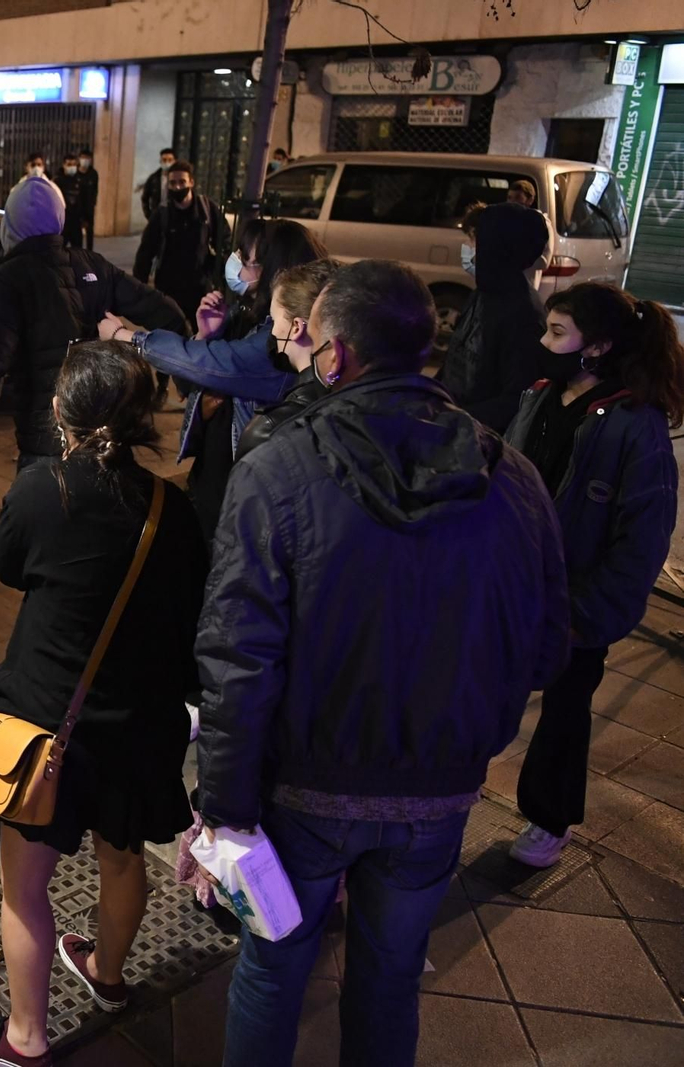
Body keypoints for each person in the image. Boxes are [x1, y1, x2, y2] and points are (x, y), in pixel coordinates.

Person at [194, 259, 569, 1067]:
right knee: (391, 977)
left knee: (271, 972)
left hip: (305, 789)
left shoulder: (276, 471)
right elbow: (546, 644)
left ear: (334, 357)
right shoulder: (514, 476)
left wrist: (223, 808)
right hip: (439, 789)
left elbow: (236, 659)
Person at [0, 341, 207, 1067]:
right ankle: (107, 974)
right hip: (141, 725)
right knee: (124, 862)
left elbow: (6, 563)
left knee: (23, 885)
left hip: (50, 725)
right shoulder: (172, 509)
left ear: (62, 410)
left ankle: (26, 1036)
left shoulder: (43, 489)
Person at [505, 283, 684, 868]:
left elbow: (642, 540)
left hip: (577, 602)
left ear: (599, 346)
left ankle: (547, 819)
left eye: (557, 333)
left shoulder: (635, 422)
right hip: (514, 586)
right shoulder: (538, 396)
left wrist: (592, 614)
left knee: (563, 711)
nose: (543, 342)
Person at [0, 174, 185, 481]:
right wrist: (187, 377)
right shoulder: (93, 265)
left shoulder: (9, 279)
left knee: (36, 521)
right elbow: (168, 313)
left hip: (45, 443)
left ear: (11, 223)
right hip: (101, 434)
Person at [113, 219, 327, 543]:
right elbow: (189, 382)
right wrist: (205, 334)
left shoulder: (278, 345)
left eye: (247, 256)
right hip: (212, 472)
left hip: (240, 489)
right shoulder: (243, 314)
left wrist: (126, 336)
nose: (237, 261)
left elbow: (204, 363)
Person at [437, 201, 549, 431]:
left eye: (476, 239)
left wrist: (452, 420)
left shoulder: (523, 314)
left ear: (496, 246)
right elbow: (455, 362)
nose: (470, 248)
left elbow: (516, 399)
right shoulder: (483, 293)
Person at [233, 258, 340, 459]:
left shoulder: (269, 429)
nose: (272, 331)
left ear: (297, 328)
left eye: (274, 320)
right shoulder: (353, 401)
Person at [132, 160, 232, 327]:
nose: (177, 187)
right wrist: (139, 289)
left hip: (199, 287)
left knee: (201, 333)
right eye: (173, 183)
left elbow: (225, 240)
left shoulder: (207, 209)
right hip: (168, 288)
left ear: (191, 182)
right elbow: (145, 252)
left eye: (182, 182)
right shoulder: (162, 214)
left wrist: (221, 273)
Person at [55, 153, 85, 249]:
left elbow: (84, 200)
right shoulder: (57, 181)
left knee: (77, 250)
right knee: (59, 249)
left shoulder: (79, 180)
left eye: (74, 164)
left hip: (76, 221)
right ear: (64, 165)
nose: (72, 167)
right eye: (69, 164)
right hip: (63, 222)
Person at [139, 147, 176, 221]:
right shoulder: (153, 178)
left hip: (174, 214)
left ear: (174, 161)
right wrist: (148, 215)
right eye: (164, 160)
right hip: (157, 213)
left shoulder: (178, 179)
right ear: (160, 161)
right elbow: (145, 198)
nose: (167, 163)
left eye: (170, 160)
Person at [76, 148, 99, 249]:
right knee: (77, 232)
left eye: (87, 158)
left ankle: (90, 253)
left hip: (89, 207)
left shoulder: (93, 173)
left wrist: (93, 203)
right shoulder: (75, 173)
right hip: (76, 206)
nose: (85, 160)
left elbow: (95, 190)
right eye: (83, 158)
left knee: (89, 232)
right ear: (79, 159)